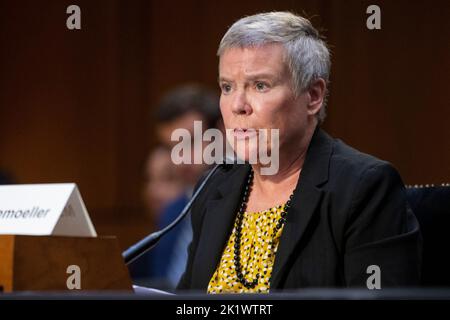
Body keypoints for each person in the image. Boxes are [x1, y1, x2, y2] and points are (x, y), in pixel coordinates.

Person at [177, 12, 422, 293]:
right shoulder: (215, 187)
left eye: (260, 85)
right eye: (227, 87)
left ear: (313, 96)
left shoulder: (363, 188)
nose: (238, 105)